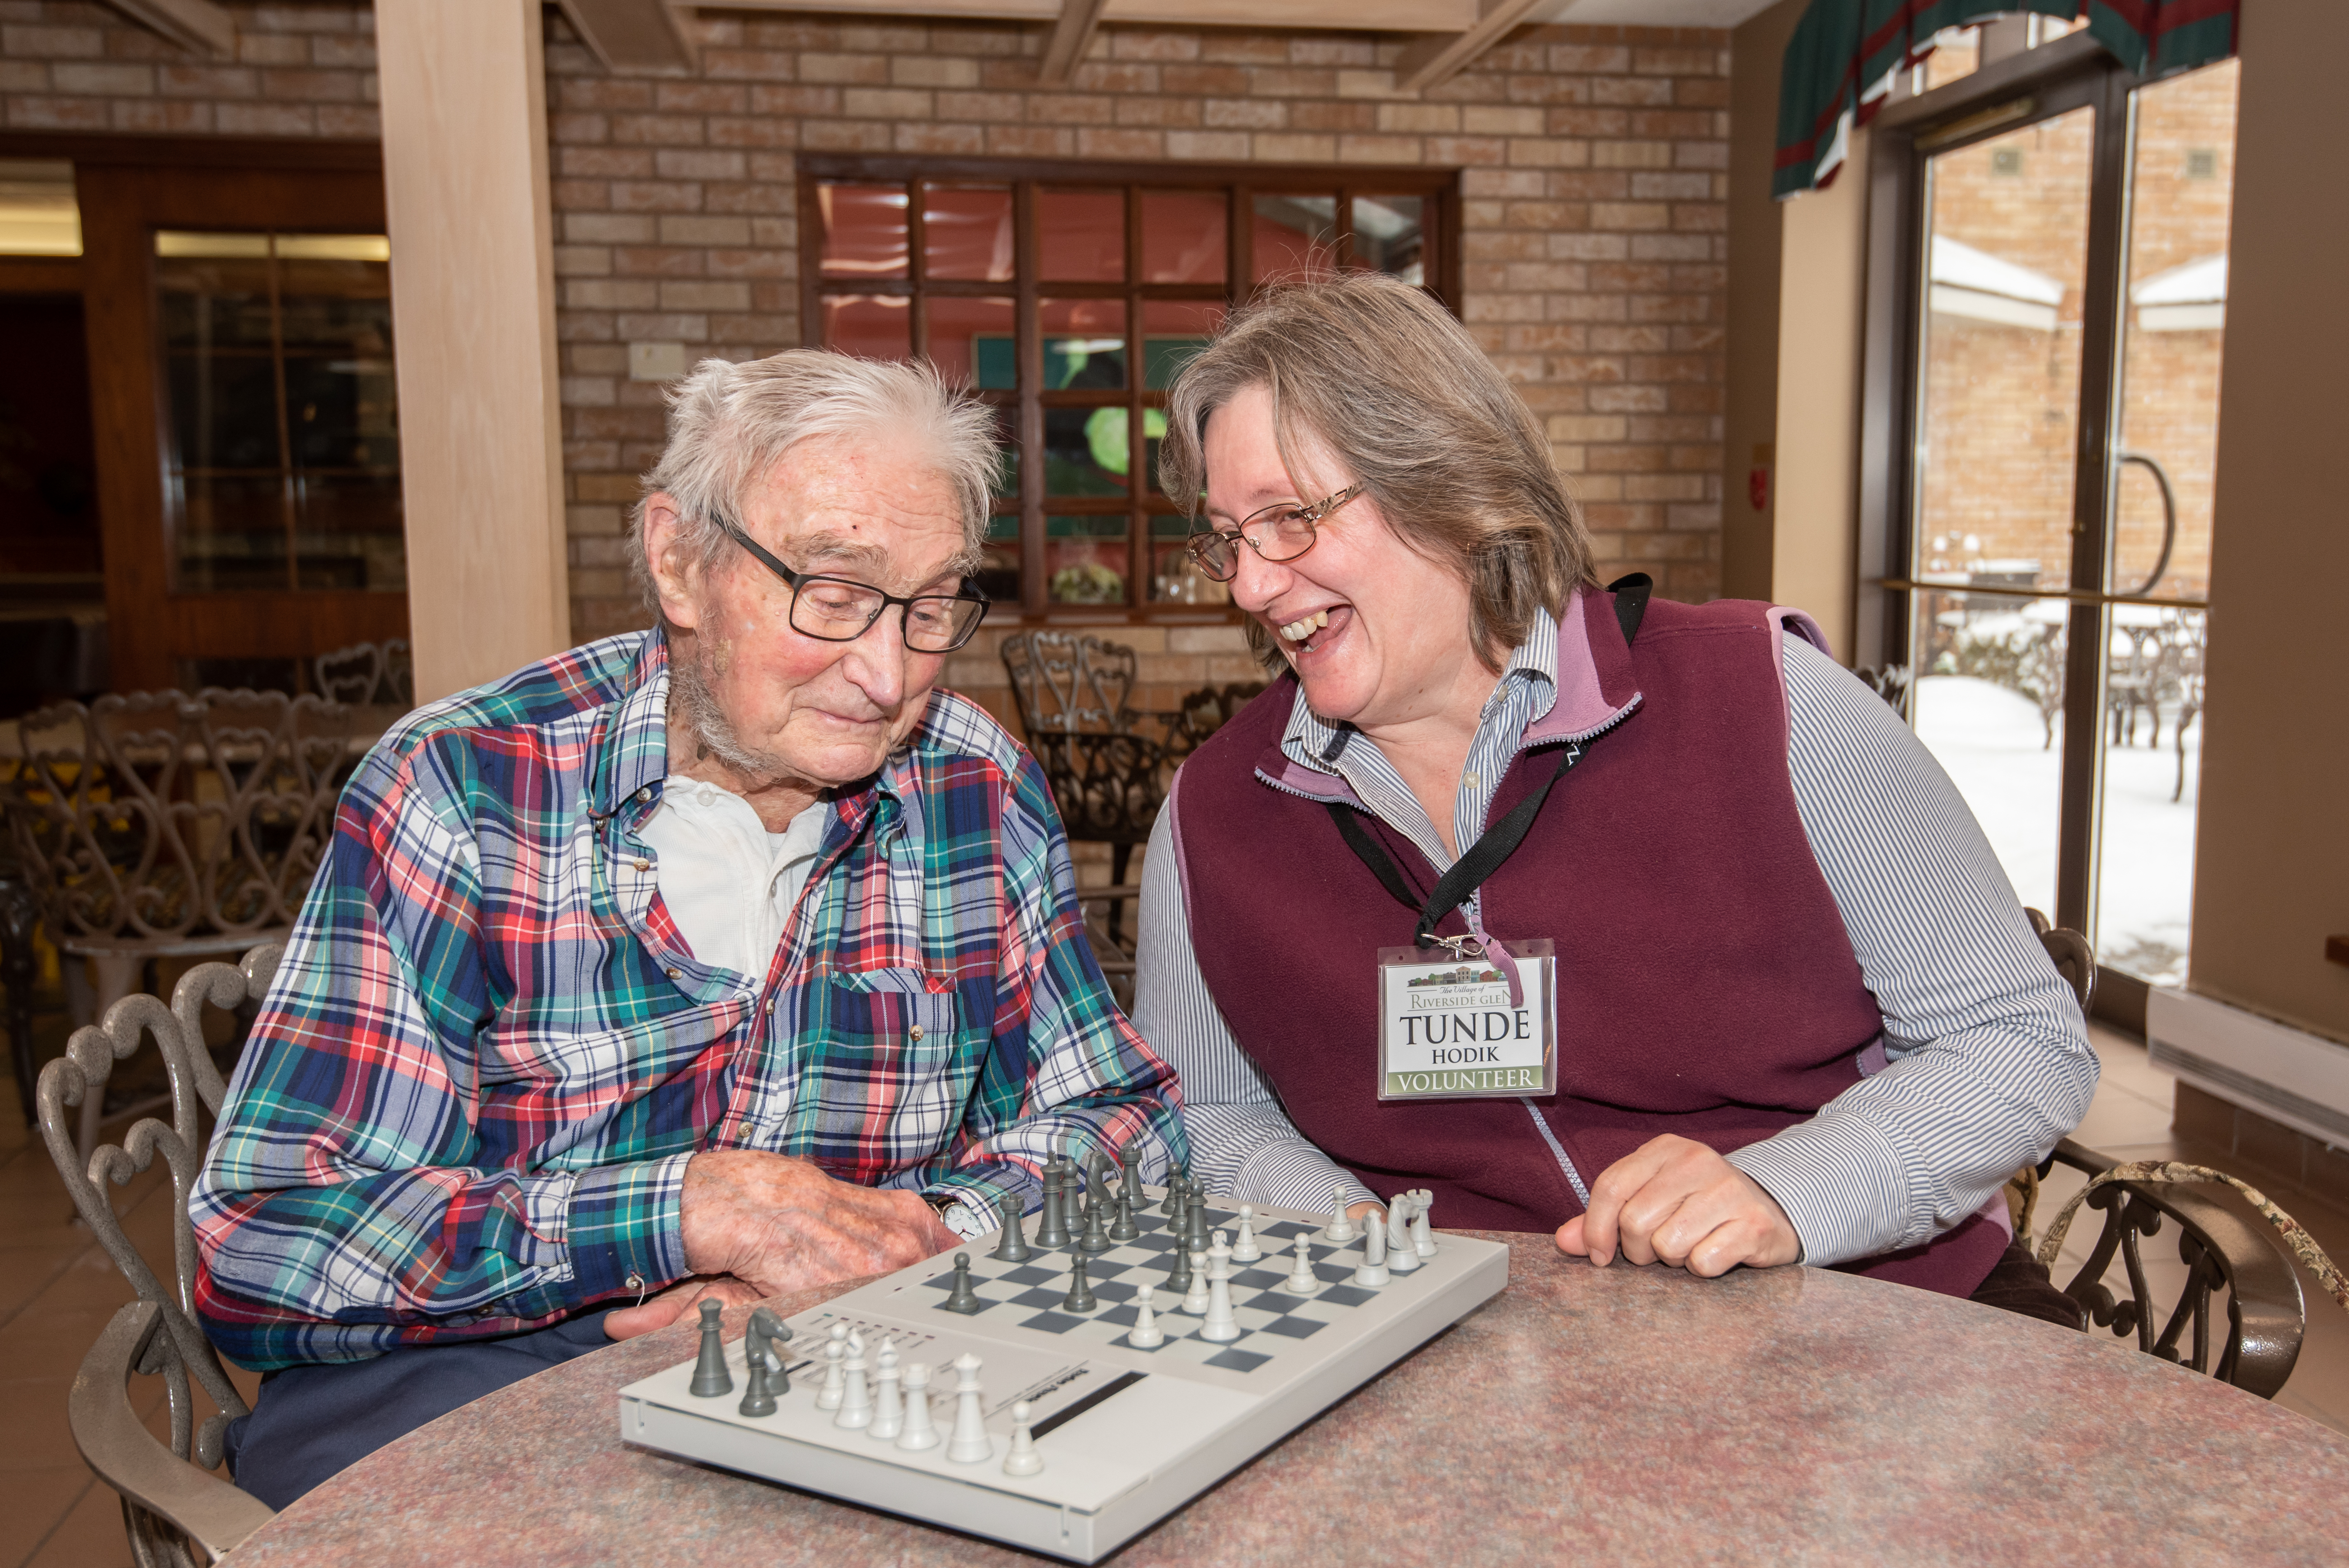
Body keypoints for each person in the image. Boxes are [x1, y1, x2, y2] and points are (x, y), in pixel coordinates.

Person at [193, 351, 1184, 1507]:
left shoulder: (972, 784)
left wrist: (909, 1236)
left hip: (843, 1355)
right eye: (833, 590)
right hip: (476, 1370)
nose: (885, 672)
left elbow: (1122, 1117)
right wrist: (686, 1208)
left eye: (928, 608)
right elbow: (264, 1240)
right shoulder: (464, 784)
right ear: (678, 558)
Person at [1134, 273, 2094, 1320]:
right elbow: (1203, 1110)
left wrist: (1787, 1189)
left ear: (1446, 485)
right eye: (1227, 537)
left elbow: (2015, 1038)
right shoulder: (1212, 812)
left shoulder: (1769, 701)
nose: (1249, 584)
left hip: (1856, 1312)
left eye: (1288, 519)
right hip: (1462, 1351)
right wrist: (1340, 1223)